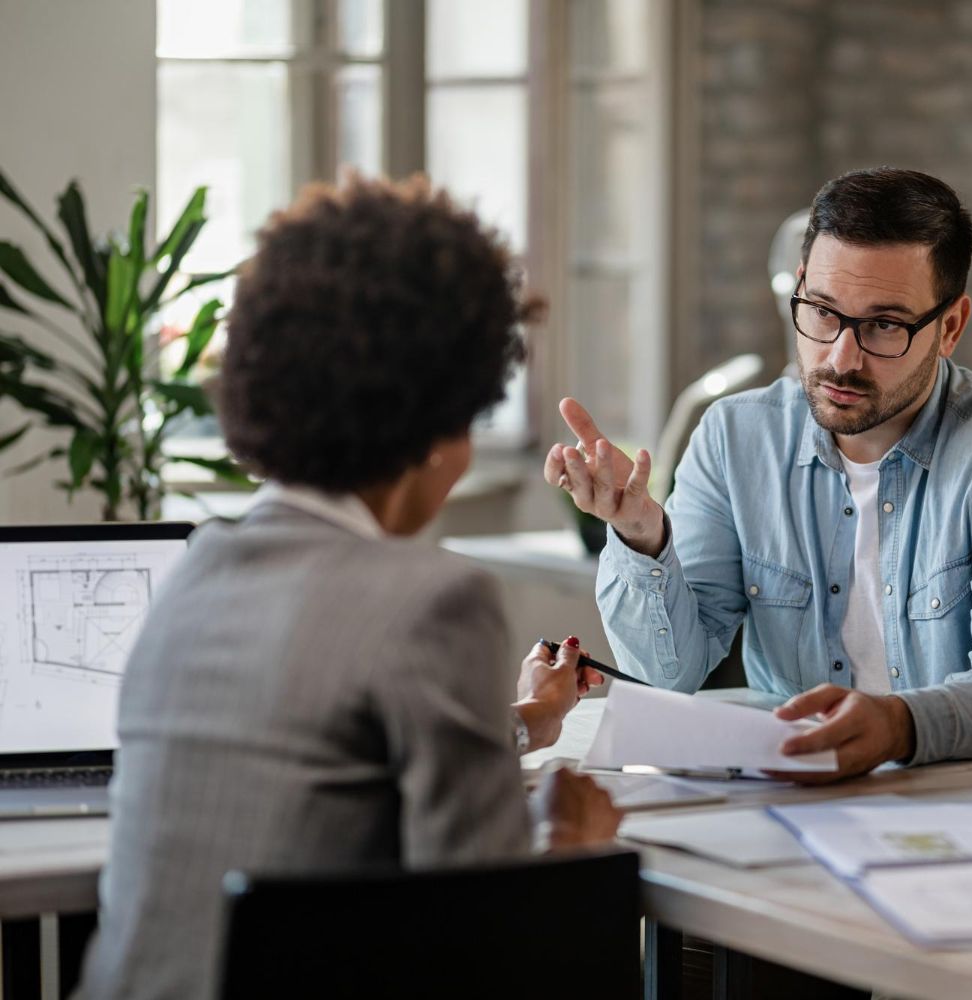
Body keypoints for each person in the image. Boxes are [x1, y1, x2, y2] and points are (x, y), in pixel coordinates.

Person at [79, 176, 622, 999]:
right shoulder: (431, 599)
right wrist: (576, 852)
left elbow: (327, 768)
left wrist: (530, 721)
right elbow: (493, 944)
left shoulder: (196, 572)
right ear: (439, 429)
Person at [546, 167, 972, 781]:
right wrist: (642, 532)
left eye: (885, 325)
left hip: (957, 799)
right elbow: (670, 674)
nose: (841, 358)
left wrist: (897, 726)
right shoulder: (735, 439)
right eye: (823, 313)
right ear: (799, 289)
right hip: (789, 793)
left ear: (951, 328)